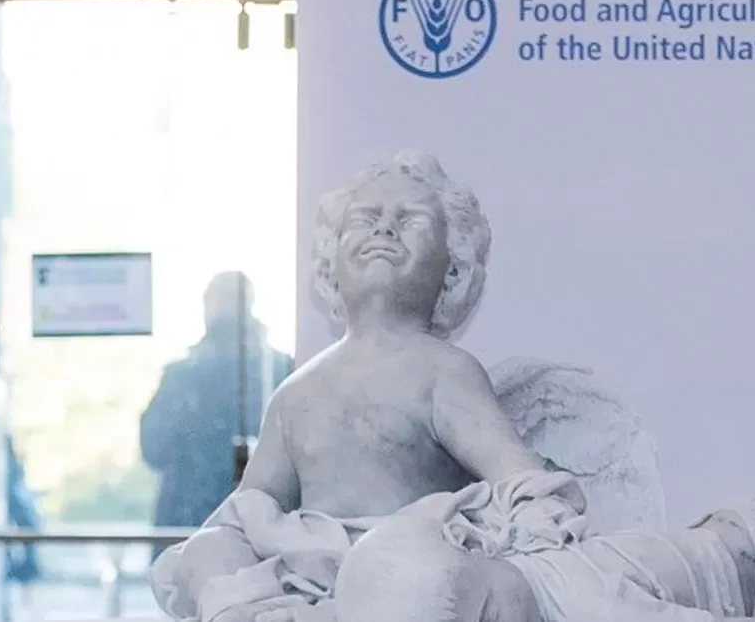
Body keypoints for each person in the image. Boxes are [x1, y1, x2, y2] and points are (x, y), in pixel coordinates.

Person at [149, 151, 572, 621]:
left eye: (409, 220)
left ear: (452, 270)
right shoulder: (295, 392)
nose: (384, 229)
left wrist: (538, 522)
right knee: (207, 550)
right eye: (367, 218)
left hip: (401, 580)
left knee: (397, 572)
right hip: (305, 577)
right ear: (330, 261)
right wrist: (216, 552)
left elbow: (517, 475)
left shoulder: (442, 371)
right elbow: (250, 509)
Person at [333, 471, 755, 622]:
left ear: (473, 546)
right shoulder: (502, 575)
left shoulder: (586, 606)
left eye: (488, 618)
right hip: (729, 544)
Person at [140, 272, 293, 558]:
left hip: (187, 530)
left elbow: (153, 449)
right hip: (256, 531)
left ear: (208, 309)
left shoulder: (183, 376)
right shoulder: (280, 371)